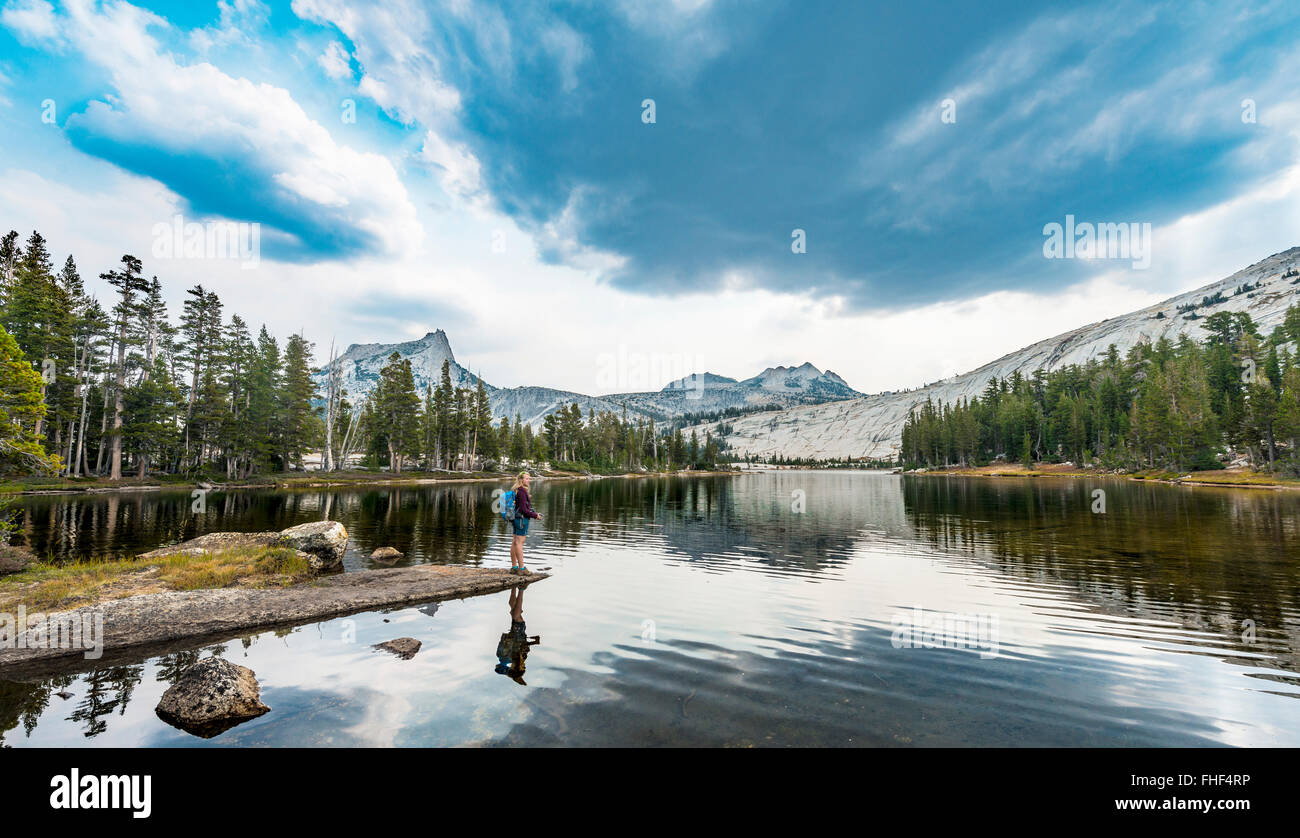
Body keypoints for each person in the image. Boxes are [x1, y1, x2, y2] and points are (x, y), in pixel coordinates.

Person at [494, 585, 541, 685]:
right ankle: (522, 589)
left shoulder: (513, 658)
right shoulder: (518, 658)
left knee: (512, 605)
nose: (510, 666)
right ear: (514, 667)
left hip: (514, 630)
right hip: (519, 630)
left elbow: (522, 645)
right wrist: (535, 642)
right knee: (516, 614)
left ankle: (514, 586)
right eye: (511, 668)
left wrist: (535, 642)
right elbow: (524, 645)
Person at [509, 471, 541, 575]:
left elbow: (522, 507)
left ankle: (514, 567)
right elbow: (523, 509)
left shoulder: (517, 490)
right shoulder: (522, 491)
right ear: (521, 480)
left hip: (516, 519)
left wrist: (534, 512)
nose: (528, 480)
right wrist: (535, 515)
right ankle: (521, 569)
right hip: (522, 520)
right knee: (519, 543)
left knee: (515, 542)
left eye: (529, 478)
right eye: (526, 478)